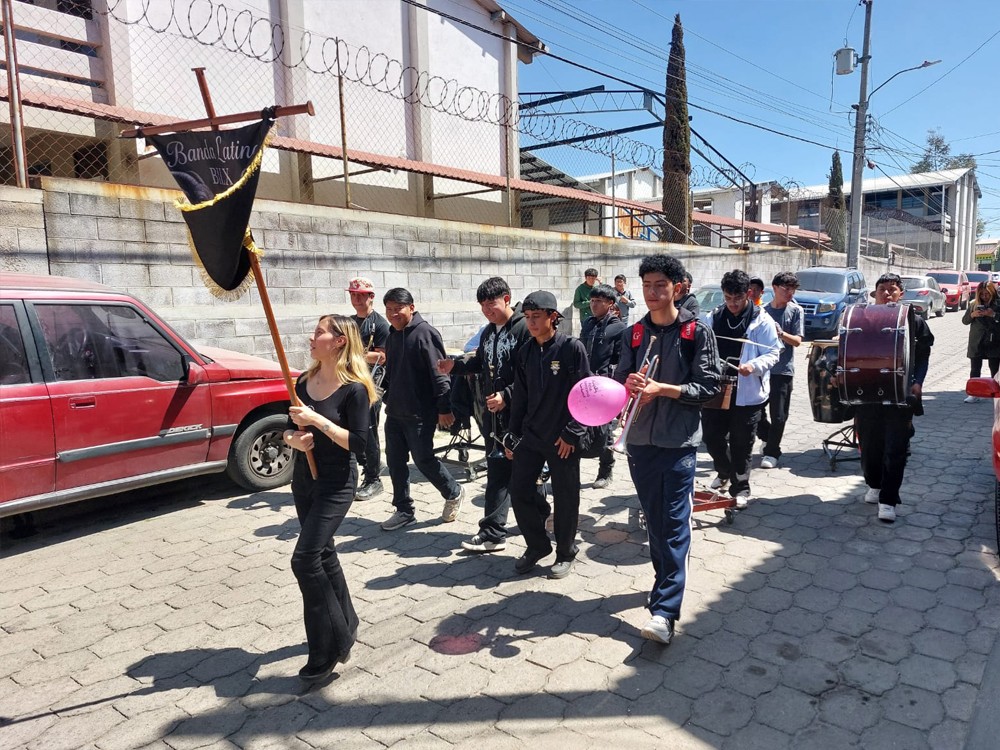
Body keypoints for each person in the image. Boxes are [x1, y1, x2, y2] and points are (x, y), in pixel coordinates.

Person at [613, 254, 720, 645]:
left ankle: (665, 612)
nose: (652, 292)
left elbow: (709, 386)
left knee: (674, 527)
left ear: (677, 287)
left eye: (660, 285)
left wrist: (664, 390)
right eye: (647, 285)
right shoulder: (633, 334)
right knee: (655, 523)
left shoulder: (696, 332)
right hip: (640, 442)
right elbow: (619, 378)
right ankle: (662, 588)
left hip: (678, 444)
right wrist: (628, 384)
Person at [283, 315, 377, 682]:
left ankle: (328, 645)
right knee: (323, 553)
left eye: (320, 332)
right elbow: (290, 428)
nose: (312, 336)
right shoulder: (303, 382)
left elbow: (360, 443)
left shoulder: (355, 389)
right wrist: (294, 440)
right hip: (304, 479)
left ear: (339, 341)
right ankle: (348, 623)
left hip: (337, 483)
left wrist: (318, 423)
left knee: (305, 560)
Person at [437, 277, 533, 553]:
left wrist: (508, 395)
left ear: (506, 298)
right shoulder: (490, 332)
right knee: (498, 474)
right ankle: (492, 532)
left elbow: (532, 375)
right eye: (482, 305)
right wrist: (453, 365)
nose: (487, 309)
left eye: (491, 302)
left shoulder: (525, 329)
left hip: (521, 419)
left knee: (527, 478)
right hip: (493, 418)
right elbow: (480, 362)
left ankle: (541, 528)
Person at [507, 290, 592, 579]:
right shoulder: (525, 352)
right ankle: (537, 545)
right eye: (527, 318)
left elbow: (586, 395)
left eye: (537, 317)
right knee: (518, 490)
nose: (531, 323)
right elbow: (520, 396)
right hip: (532, 436)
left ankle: (566, 551)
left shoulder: (571, 348)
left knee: (566, 497)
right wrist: (512, 434)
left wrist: (573, 432)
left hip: (563, 438)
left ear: (553, 317)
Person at [380, 288, 464, 530]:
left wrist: (444, 408)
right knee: (394, 462)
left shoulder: (425, 333)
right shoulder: (393, 335)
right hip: (395, 411)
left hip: (420, 412)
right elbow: (393, 373)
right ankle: (404, 510)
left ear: (411, 308)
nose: (393, 313)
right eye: (389, 309)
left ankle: (453, 491)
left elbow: (440, 373)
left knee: (423, 459)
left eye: (398, 308)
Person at [853, 273, 934, 523]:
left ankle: (888, 499)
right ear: (874, 293)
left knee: (895, 449)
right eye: (882, 289)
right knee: (869, 447)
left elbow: (922, 355)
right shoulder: (862, 318)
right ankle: (874, 485)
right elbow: (847, 348)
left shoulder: (913, 319)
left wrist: (917, 382)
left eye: (893, 289)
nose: (887, 293)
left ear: (901, 294)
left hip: (901, 395)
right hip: (867, 393)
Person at [702, 270, 781, 509]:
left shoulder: (761, 320)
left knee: (741, 442)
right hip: (718, 387)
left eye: (737, 298)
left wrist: (753, 366)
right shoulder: (713, 317)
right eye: (728, 298)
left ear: (748, 294)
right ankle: (724, 471)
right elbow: (701, 349)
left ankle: (741, 487)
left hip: (747, 392)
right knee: (712, 438)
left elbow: (774, 352)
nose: (733, 303)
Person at [346, 277, 391, 500]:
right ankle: (368, 463)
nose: (356, 299)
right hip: (352, 380)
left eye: (361, 295)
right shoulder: (350, 321)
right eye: (353, 294)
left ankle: (373, 479)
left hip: (372, 383)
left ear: (371, 297)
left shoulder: (380, 325)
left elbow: (383, 357)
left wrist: (355, 353)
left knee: (368, 429)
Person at [580, 283, 626, 488]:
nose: (594, 305)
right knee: (579, 426)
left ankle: (605, 471)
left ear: (610, 303)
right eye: (592, 301)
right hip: (585, 384)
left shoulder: (618, 328)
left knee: (605, 430)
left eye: (599, 301)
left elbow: (620, 360)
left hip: (605, 385)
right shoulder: (587, 324)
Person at [757, 272, 804, 468]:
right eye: (786, 288)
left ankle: (772, 452)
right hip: (762, 370)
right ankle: (769, 437)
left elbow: (798, 341)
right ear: (774, 288)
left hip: (783, 371)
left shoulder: (795, 311)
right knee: (756, 412)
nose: (790, 293)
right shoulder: (762, 311)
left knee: (779, 415)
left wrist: (781, 333)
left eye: (793, 289)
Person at [962, 281, 1000, 402]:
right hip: (977, 341)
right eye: (982, 294)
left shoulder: (998, 304)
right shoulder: (974, 304)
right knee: (975, 368)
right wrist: (973, 315)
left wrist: (993, 314)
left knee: (994, 368)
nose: (985, 297)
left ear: (992, 292)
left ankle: (995, 392)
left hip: (994, 340)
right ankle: (974, 393)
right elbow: (965, 321)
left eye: (987, 294)